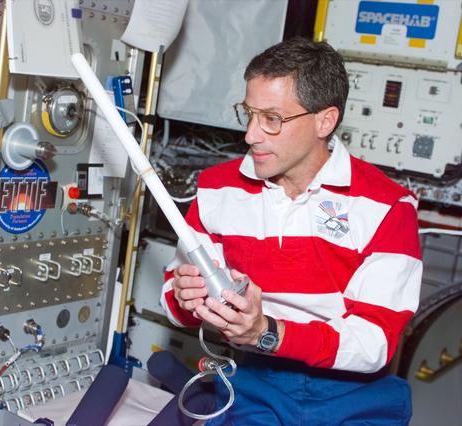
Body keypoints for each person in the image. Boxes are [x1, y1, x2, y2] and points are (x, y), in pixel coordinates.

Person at [160, 37, 422, 425]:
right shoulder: (219, 189)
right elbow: (170, 300)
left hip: (354, 395)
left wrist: (268, 332)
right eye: (248, 114)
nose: (251, 135)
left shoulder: (387, 207)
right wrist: (188, 297)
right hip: (254, 385)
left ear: (324, 121)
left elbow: (374, 343)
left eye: (272, 118)